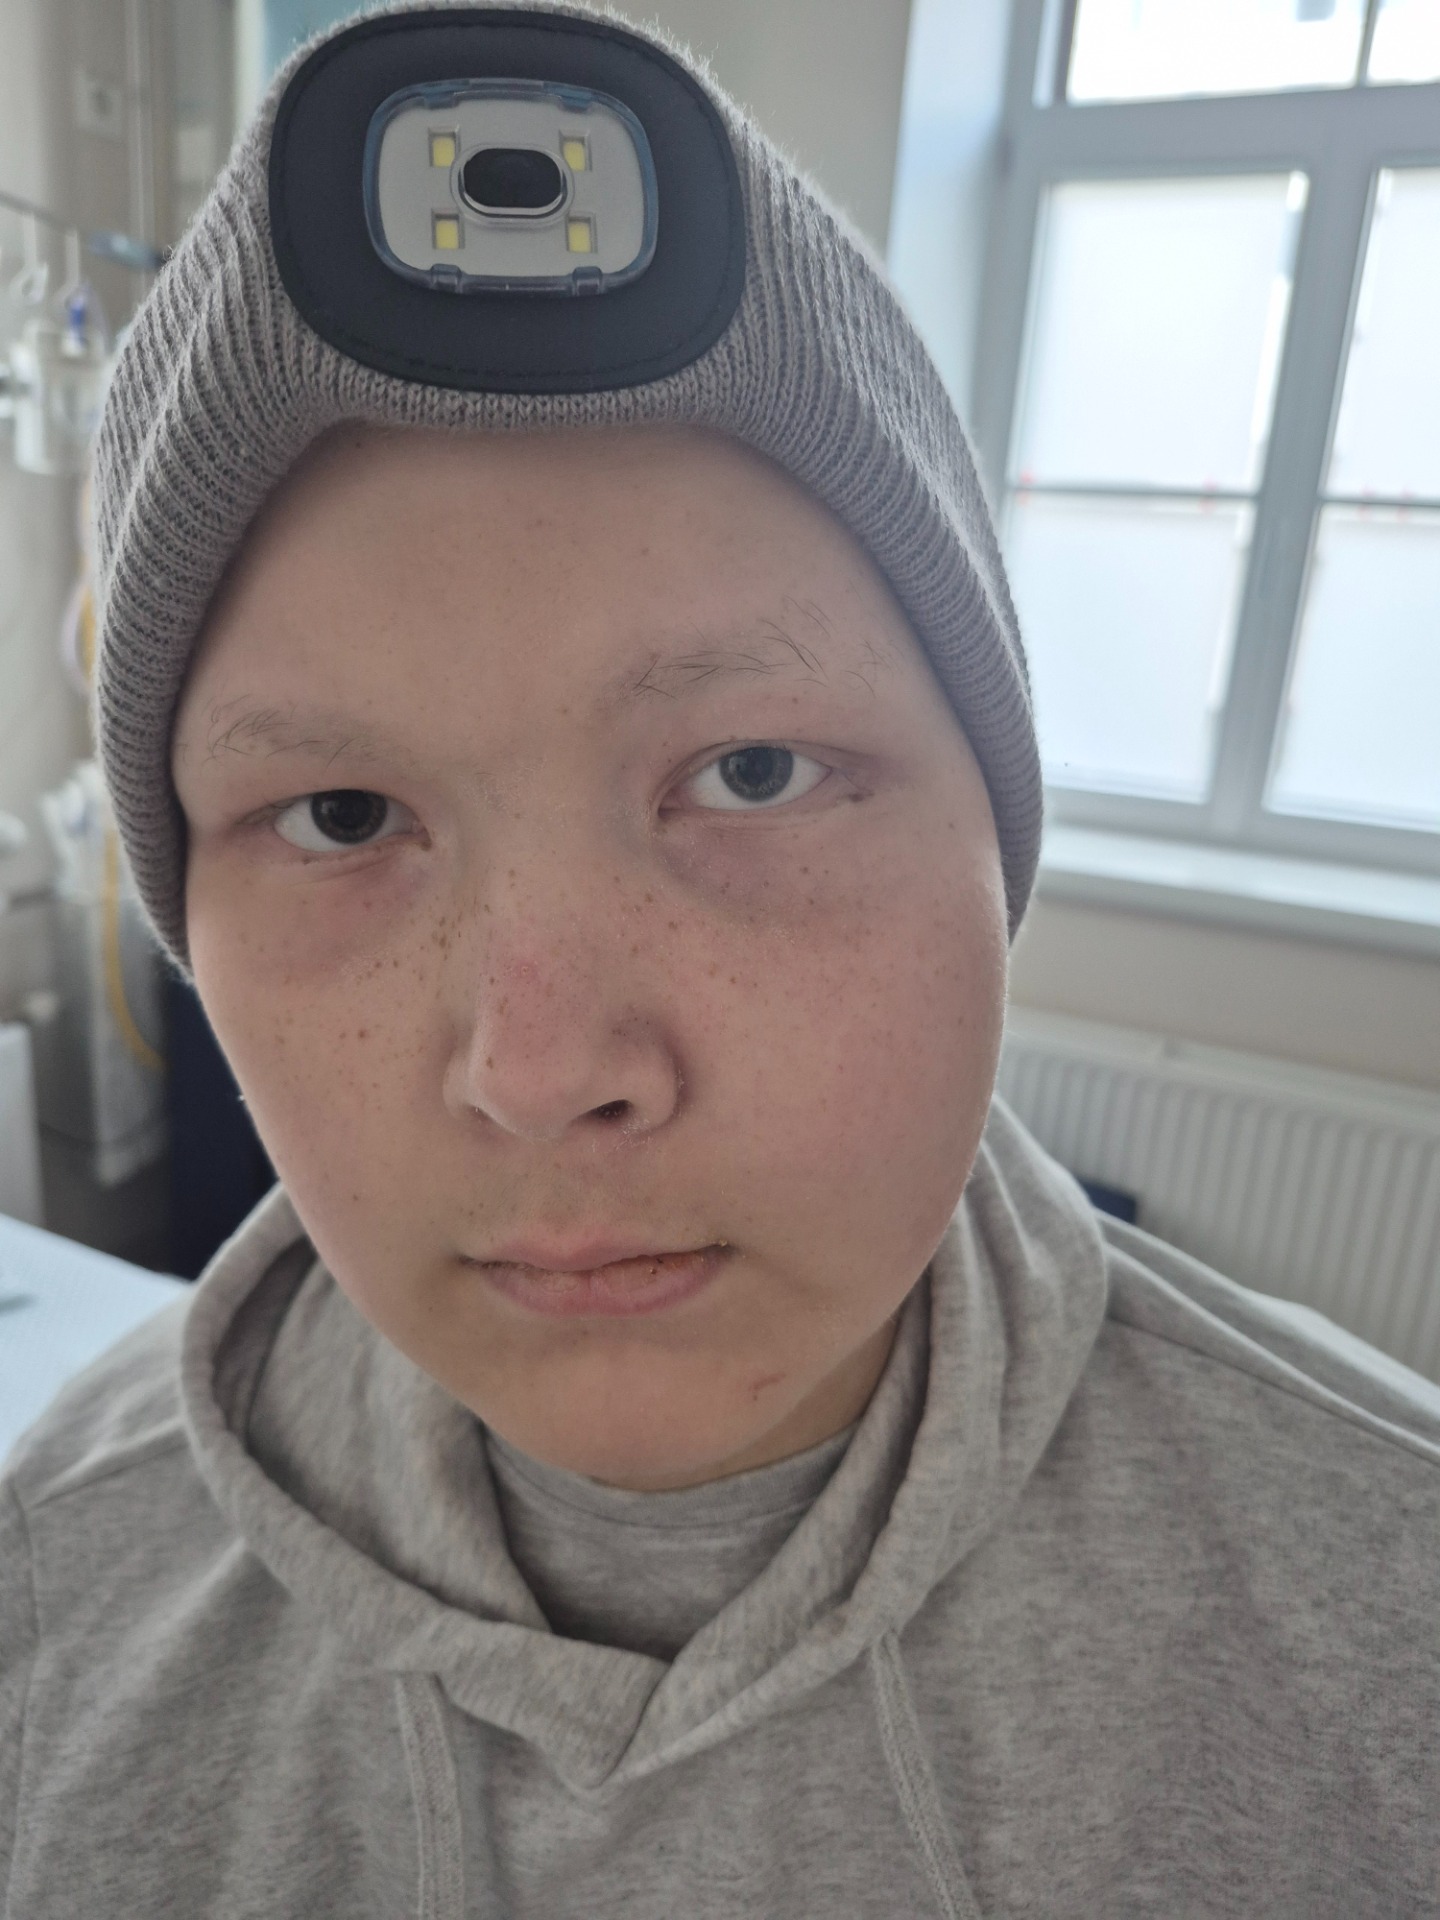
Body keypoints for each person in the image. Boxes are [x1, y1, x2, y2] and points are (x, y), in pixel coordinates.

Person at [2, 6, 1437, 1915]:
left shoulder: (1395, 1622)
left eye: (752, 773)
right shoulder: (45, 1601)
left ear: (993, 839)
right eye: (341, 815)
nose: (544, 1068)